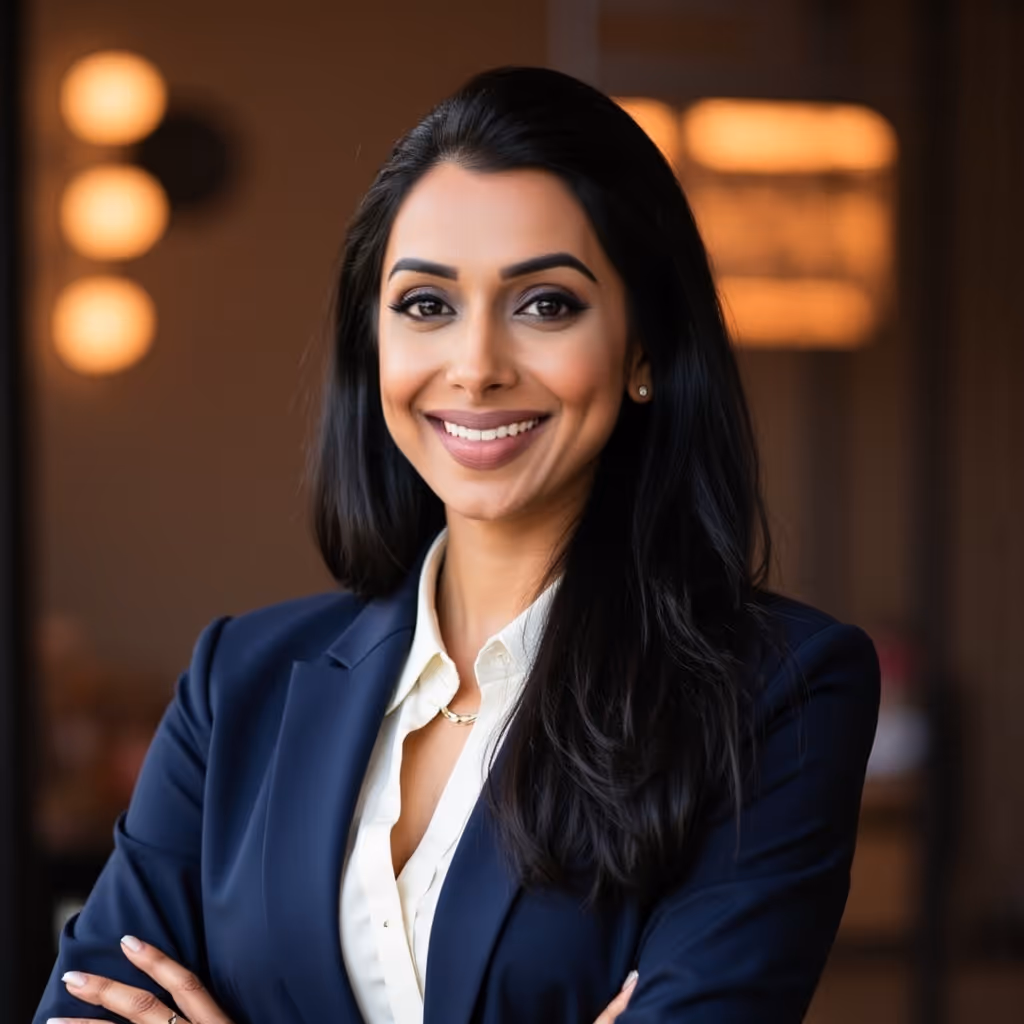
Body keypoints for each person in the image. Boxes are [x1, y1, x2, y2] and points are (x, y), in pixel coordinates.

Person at [35, 65, 880, 1024]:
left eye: (546, 303)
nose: (475, 367)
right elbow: (82, 1007)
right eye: (427, 305)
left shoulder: (778, 693)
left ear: (644, 347)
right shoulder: (239, 685)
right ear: (374, 345)